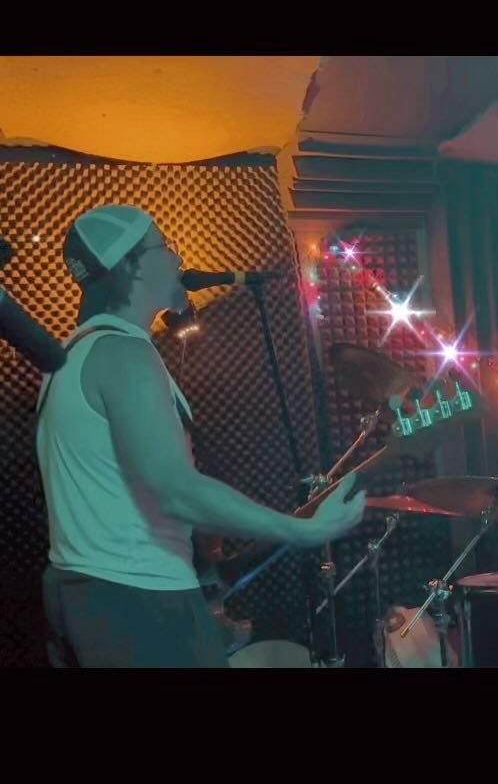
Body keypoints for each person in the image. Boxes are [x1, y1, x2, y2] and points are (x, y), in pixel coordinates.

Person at [36, 205, 366, 669]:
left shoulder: (74, 352)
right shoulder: (124, 354)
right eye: (164, 246)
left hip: (96, 596)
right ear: (131, 265)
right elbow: (176, 492)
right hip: (139, 600)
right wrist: (303, 530)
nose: (177, 259)